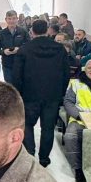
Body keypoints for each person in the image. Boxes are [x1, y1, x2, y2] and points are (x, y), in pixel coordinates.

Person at [12, 19, 70, 167]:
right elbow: (66, 73)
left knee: (27, 125)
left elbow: (16, 76)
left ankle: (30, 154)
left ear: (32, 31)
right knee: (48, 128)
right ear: (47, 30)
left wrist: (18, 94)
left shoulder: (24, 49)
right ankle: (44, 159)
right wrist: (61, 93)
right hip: (52, 95)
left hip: (29, 95)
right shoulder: (60, 49)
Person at [0, 10, 30, 84]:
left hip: (21, 64)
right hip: (7, 65)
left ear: (17, 19)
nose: (12, 21)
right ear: (6, 19)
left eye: (14, 18)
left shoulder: (23, 32)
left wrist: (20, 49)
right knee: (9, 86)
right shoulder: (1, 34)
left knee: (21, 85)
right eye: (9, 19)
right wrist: (3, 52)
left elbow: (29, 46)